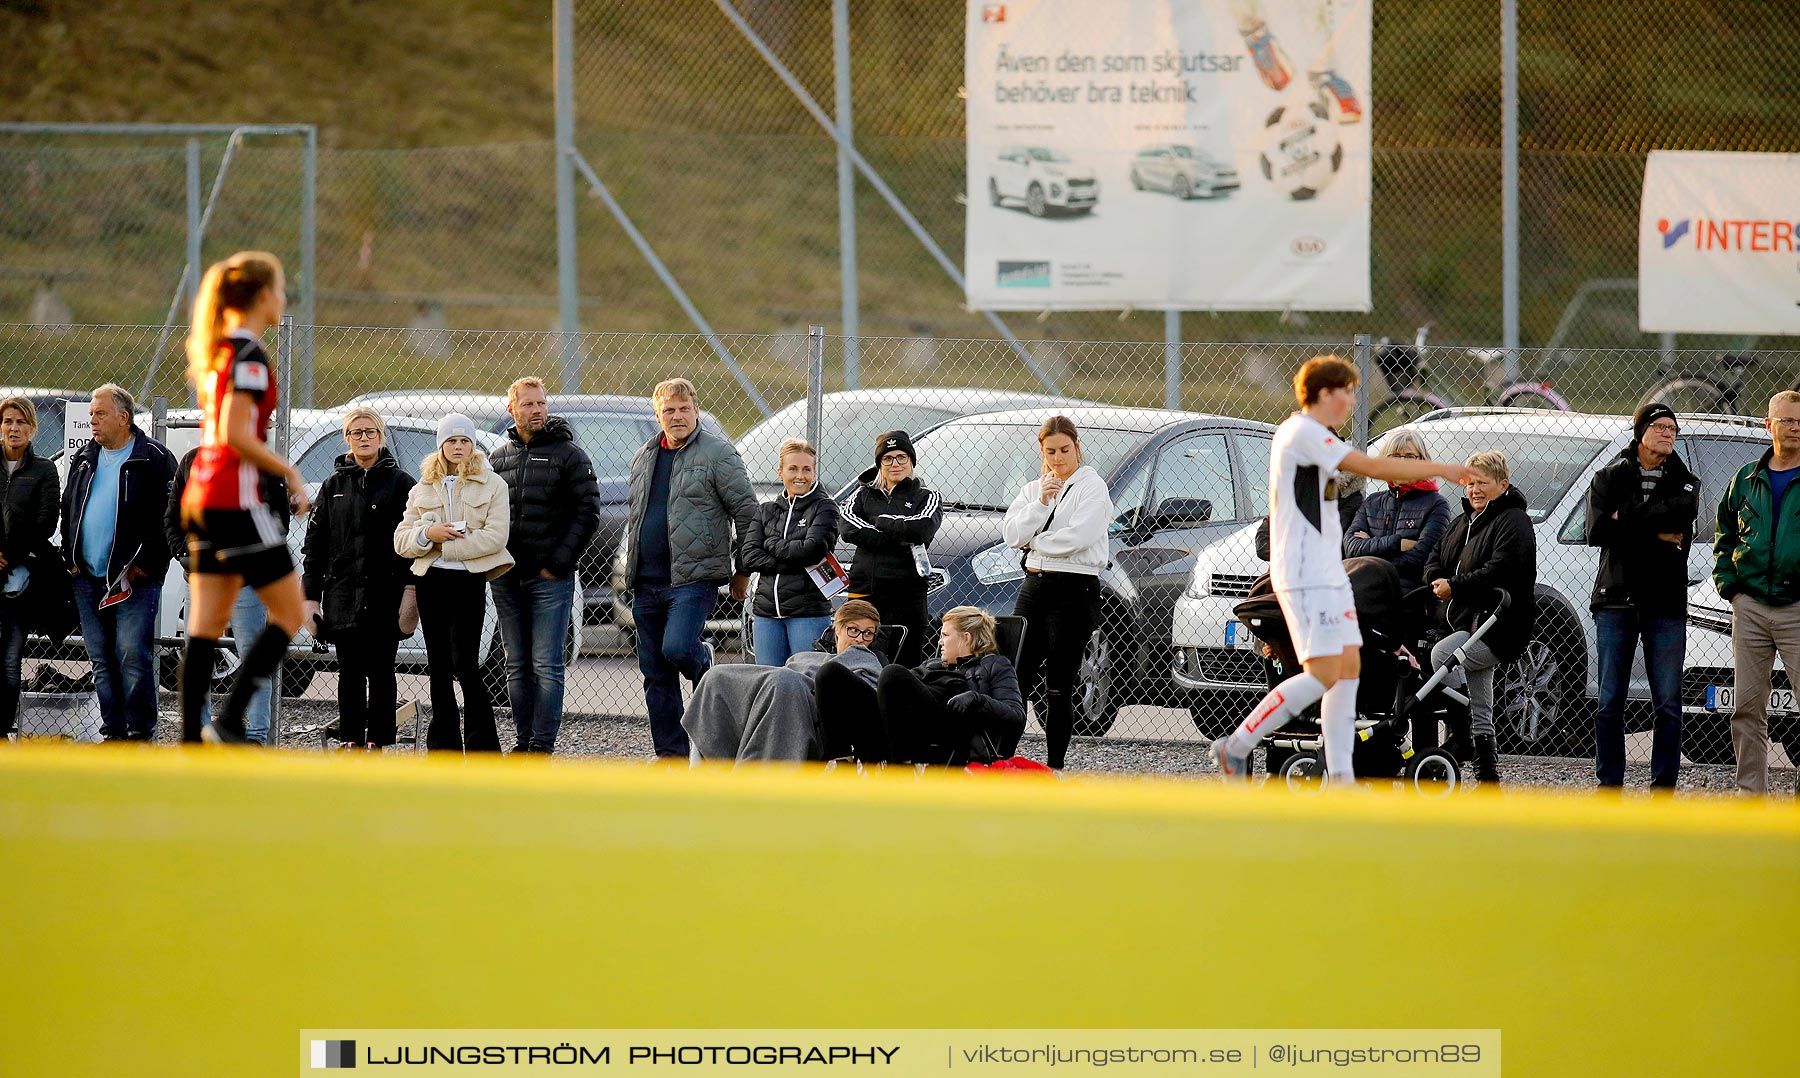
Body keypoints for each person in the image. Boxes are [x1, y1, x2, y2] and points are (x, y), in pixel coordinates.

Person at [1210, 355, 1476, 785]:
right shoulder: (1300, 432)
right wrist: (1442, 468)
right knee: (1322, 674)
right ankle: (1236, 745)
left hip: (1329, 574)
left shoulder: (1318, 437)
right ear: (1322, 394)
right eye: (1346, 392)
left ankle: (1341, 780)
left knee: (1348, 667)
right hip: (1303, 574)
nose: (1352, 400)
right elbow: (1372, 466)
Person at [174, 253, 309, 745]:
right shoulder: (248, 355)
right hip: (235, 498)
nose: (284, 298)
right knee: (291, 614)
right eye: (280, 288)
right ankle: (229, 724)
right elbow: (235, 434)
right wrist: (289, 472)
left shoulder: (219, 352)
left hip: (203, 497)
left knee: (206, 626)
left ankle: (194, 741)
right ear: (262, 296)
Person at [622, 377, 757, 760]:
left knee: (678, 648)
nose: (677, 416)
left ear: (696, 411)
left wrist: (742, 569)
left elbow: (747, 512)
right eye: (669, 410)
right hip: (645, 581)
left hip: (693, 578)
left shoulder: (718, 453)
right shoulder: (644, 455)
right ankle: (671, 756)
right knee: (655, 674)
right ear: (657, 414)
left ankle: (703, 659)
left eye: (684, 409)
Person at [1586, 403, 1698, 790]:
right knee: (1610, 700)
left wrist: (1625, 520)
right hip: (1615, 599)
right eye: (1661, 426)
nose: (1668, 433)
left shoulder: (1686, 482)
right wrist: (1656, 532)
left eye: (1673, 428)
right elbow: (1596, 531)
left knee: (1667, 702)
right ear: (1640, 432)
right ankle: (1609, 784)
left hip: (1665, 603)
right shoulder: (1608, 476)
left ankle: (1663, 786)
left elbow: (1678, 529)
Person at [488, 376, 600, 754]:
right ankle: (522, 743)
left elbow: (588, 512)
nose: (536, 410)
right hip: (505, 577)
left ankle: (541, 746)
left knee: (546, 666)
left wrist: (558, 563)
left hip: (549, 579)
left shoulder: (569, 455)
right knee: (515, 665)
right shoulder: (498, 457)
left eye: (541, 403)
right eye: (528, 404)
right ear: (512, 409)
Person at [61, 383, 179, 742]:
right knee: (101, 660)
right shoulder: (85, 458)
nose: (92, 420)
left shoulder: (154, 458)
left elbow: (173, 516)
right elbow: (69, 509)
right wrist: (71, 558)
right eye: (91, 414)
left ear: (123, 418)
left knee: (131, 654)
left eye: (100, 413)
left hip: (134, 580)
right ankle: (113, 732)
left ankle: (140, 732)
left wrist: (150, 562)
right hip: (87, 577)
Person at [395, 414, 514, 754]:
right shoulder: (422, 488)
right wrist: (426, 534)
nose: (458, 447)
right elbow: (402, 540)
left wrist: (447, 545)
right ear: (441, 446)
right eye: (452, 441)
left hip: (468, 580)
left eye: (465, 441)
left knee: (466, 663)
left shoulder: (492, 485)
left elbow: (495, 536)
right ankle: (443, 747)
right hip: (432, 582)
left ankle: (483, 748)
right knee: (439, 664)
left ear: (473, 445)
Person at [301, 408, 416, 749]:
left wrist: (410, 593)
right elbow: (315, 546)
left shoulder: (402, 485)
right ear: (346, 438)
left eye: (370, 432)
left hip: (386, 593)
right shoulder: (333, 485)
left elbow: (414, 544)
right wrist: (310, 597)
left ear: (381, 437)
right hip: (342, 594)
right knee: (349, 672)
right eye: (356, 432)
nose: (363, 438)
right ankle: (351, 739)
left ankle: (377, 742)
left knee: (381, 671)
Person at [1002, 415, 1113, 770]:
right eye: (1051, 451)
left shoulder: (1093, 487)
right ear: (1042, 451)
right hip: (1035, 586)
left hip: (1075, 588)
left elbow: (1080, 537)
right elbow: (1011, 534)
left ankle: (1055, 767)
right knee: (1014, 676)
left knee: (1059, 684)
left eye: (1065, 449)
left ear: (1077, 447)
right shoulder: (1034, 489)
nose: (1058, 457)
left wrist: (1036, 542)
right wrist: (1041, 506)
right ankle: (1000, 759)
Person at [1425, 451, 1537, 785]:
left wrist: (1455, 587)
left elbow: (1499, 569)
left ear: (1502, 485)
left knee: (1443, 657)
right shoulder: (1462, 522)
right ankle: (1488, 776)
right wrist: (1436, 578)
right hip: (1465, 622)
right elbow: (1436, 556)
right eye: (1471, 482)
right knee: (1481, 702)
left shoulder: (1514, 522)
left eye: (1483, 483)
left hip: (1497, 626)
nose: (1475, 490)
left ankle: (1461, 737)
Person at [166, 443, 290, 744]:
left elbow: (279, 521)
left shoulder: (264, 464)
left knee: (253, 649)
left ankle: (257, 736)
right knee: (199, 648)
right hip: (203, 576)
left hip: (247, 581)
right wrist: (187, 555)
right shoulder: (193, 460)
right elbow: (173, 517)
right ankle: (198, 733)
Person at [1714, 390, 1800, 795]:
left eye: (1799, 421)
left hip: (1796, 609)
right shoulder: (1745, 480)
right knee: (1747, 707)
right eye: (1786, 420)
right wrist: (1730, 588)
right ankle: (1751, 796)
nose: (1794, 427)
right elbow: (1724, 533)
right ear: (1769, 425)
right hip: (1749, 608)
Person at [685, 600, 886, 765]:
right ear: (837, 631)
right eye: (853, 630)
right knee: (717, 676)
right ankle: (705, 772)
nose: (860, 639)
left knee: (783, 680)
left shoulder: (869, 660)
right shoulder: (807, 657)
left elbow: (871, 698)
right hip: (778, 689)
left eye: (868, 633)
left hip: (810, 706)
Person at [845, 606, 1026, 766]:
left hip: (951, 725)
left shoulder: (995, 664)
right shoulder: (933, 664)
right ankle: (842, 766)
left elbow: (1016, 714)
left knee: (892, 673)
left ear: (966, 638)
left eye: (945, 635)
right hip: (908, 723)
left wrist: (977, 699)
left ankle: (900, 771)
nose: (939, 642)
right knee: (832, 672)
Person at [839, 430, 942, 668]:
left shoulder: (927, 497)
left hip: (907, 595)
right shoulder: (862, 495)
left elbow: (923, 528)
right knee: (859, 662)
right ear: (879, 464)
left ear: (911, 461)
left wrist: (881, 522)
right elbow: (848, 528)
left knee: (903, 667)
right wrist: (898, 537)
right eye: (888, 458)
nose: (895, 463)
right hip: (865, 592)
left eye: (901, 457)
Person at [743, 437, 841, 667]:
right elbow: (748, 555)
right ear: (781, 472)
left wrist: (771, 543)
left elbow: (812, 551)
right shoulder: (767, 509)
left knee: (805, 682)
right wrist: (792, 559)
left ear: (814, 472)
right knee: (769, 681)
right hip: (766, 613)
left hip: (806, 613)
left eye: (807, 469)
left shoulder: (825, 507)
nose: (800, 476)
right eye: (793, 468)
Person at [1, 397, 61, 737]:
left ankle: (3, 729)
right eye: (8, 421)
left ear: (32, 428)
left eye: (21, 422)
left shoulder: (43, 470)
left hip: (20, 577)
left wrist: (11, 554)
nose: (14, 428)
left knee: (10, 660)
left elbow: (46, 522)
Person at [1342, 429, 1453, 591]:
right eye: (1395, 456)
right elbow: (1351, 548)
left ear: (1423, 461)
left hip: (1407, 597)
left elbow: (1421, 558)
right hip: (1365, 592)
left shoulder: (1436, 505)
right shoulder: (1372, 502)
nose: (1401, 463)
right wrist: (1397, 543)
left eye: (1409, 456)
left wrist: (1370, 554)